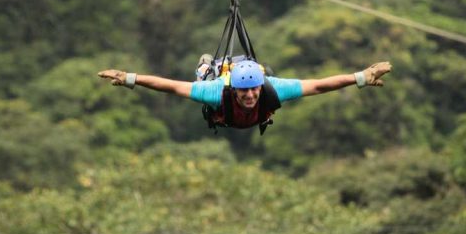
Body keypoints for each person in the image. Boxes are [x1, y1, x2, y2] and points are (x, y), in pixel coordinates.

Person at [98, 59, 392, 132]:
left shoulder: (272, 87)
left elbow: (318, 85)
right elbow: (171, 86)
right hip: (223, 109)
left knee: (262, 78)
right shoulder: (217, 93)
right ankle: (207, 67)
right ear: (233, 89)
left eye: (253, 89)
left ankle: (212, 66)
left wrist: (361, 78)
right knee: (202, 77)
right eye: (244, 90)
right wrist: (129, 79)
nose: (251, 95)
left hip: (250, 114)